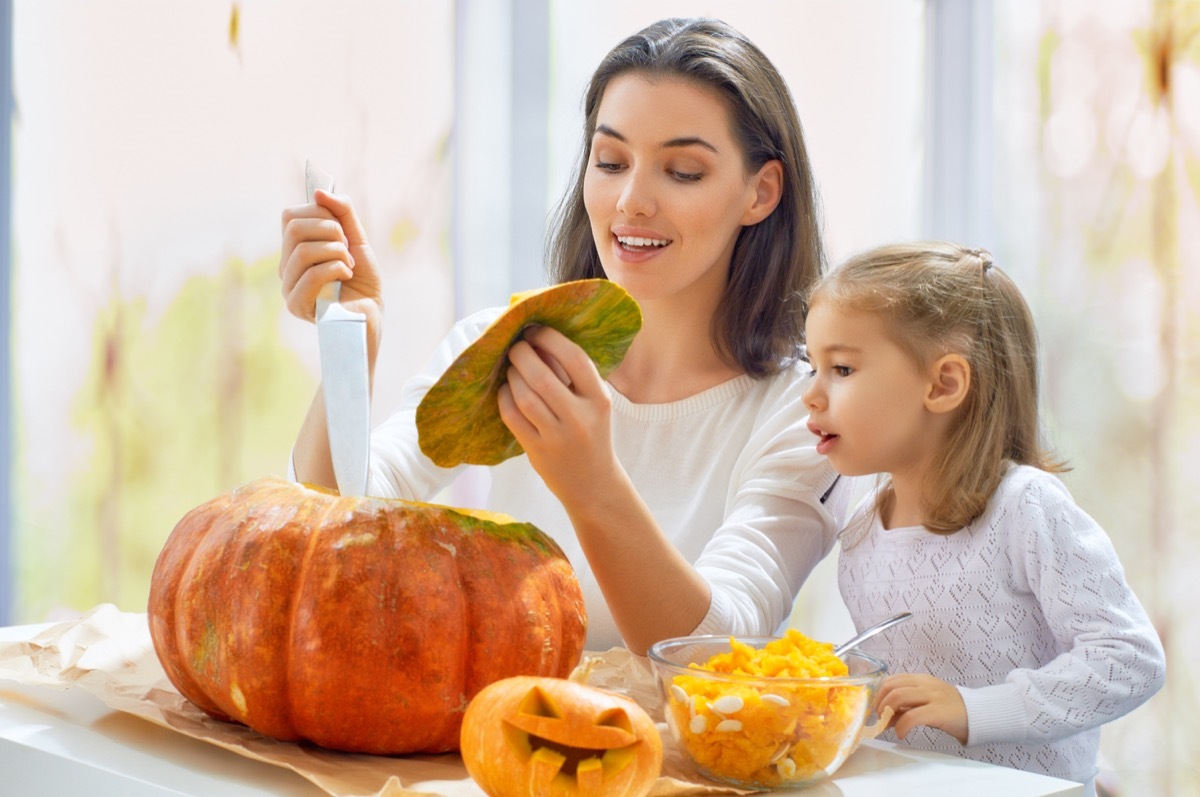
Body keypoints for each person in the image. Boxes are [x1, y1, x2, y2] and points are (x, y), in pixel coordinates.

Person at [277, 17, 848, 655]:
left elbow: (718, 650)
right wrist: (349, 343)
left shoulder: (805, 415)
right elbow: (330, 527)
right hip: (493, 742)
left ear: (761, 192)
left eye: (682, 171)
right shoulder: (509, 346)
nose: (632, 200)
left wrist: (593, 486)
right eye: (611, 161)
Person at [802, 241, 1165, 793]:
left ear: (944, 384)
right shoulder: (860, 532)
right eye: (813, 368)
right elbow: (898, 693)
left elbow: (1129, 659)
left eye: (842, 368)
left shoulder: (1026, 508)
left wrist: (977, 709)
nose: (811, 395)